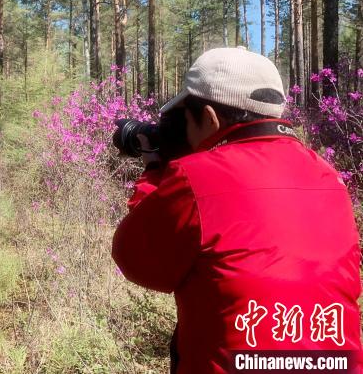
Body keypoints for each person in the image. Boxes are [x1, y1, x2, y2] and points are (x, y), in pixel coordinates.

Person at [112, 47, 362, 373]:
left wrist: (154, 171)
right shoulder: (329, 178)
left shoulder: (195, 176)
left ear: (210, 118)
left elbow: (137, 261)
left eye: (185, 120)